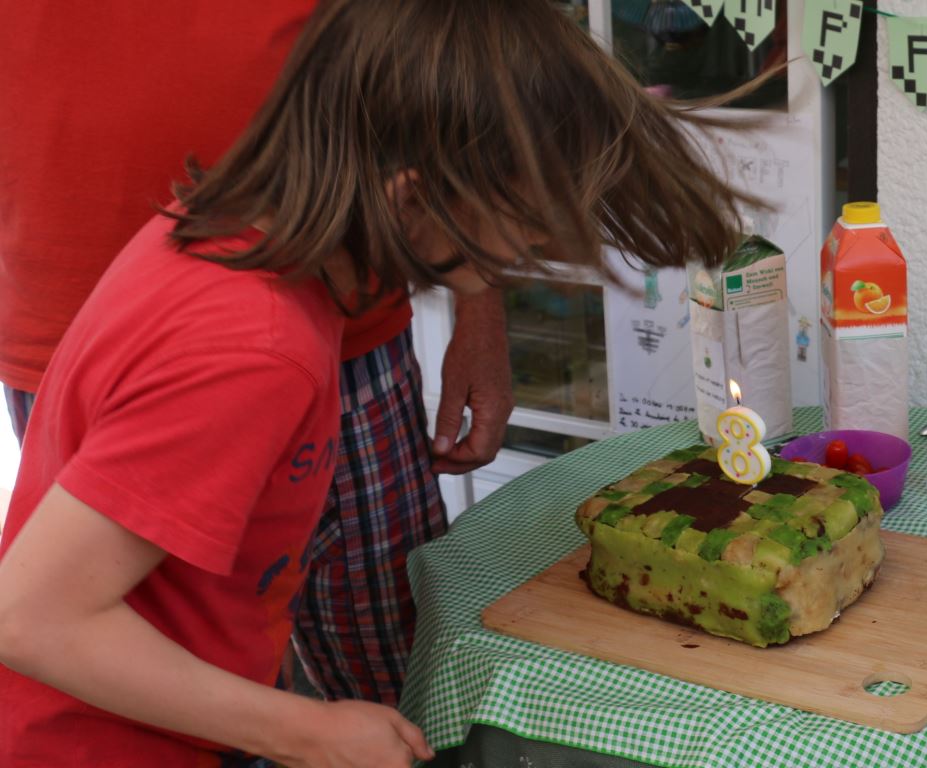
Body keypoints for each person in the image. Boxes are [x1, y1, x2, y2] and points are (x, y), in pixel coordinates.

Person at [0, 0, 763, 764]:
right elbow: (30, 617)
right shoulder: (255, 347)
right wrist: (303, 729)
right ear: (410, 195)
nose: (522, 262)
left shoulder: (242, 238)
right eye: (522, 234)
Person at [0, 1, 512, 706]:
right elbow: (39, 622)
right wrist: (295, 734)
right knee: (157, 664)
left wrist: (478, 292)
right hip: (86, 318)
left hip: (340, 311)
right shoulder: (241, 339)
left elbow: (451, 45)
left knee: (389, 666)